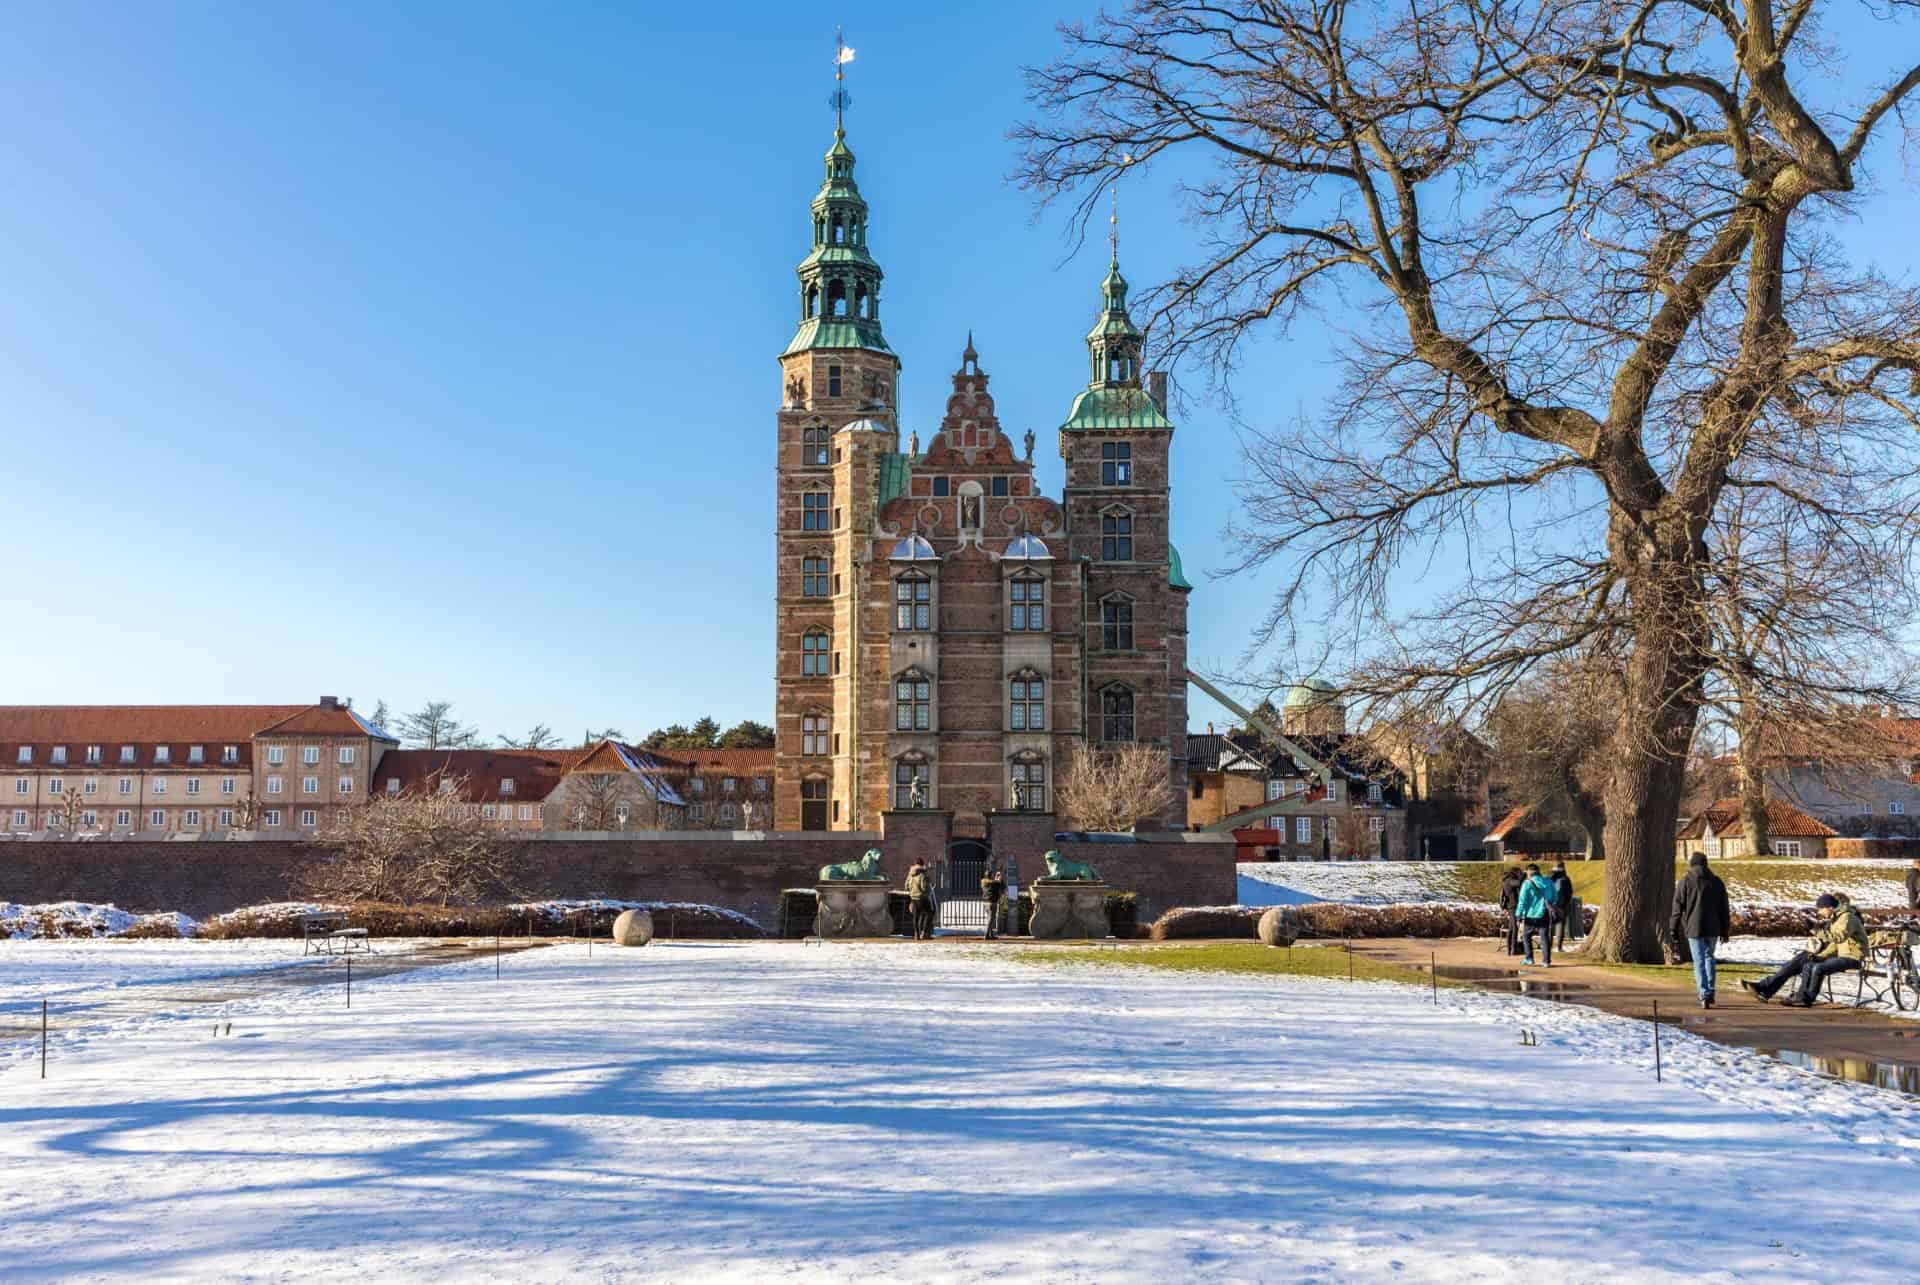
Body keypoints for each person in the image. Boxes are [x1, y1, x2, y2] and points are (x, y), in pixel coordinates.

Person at [1740, 893, 1869, 1006]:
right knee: (1798, 961)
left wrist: (1816, 932)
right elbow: (1834, 944)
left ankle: (1771, 990)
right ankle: (1768, 989)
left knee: (1809, 964)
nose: (1819, 912)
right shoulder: (1837, 918)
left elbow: (1838, 939)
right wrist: (1820, 954)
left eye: (1822, 908)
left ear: (1831, 906)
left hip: (1849, 957)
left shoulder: (1846, 918)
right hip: (1833, 954)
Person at [1670, 851, 1732, 1008]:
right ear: (1706, 864)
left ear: (1692, 865)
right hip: (1713, 927)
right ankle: (1710, 992)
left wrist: (1673, 928)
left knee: (1698, 961)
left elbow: (1677, 908)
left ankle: (1704, 994)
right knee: (1709, 957)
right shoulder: (1717, 882)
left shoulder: (1685, 882)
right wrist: (1725, 929)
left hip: (1694, 927)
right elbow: (1724, 908)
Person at [1515, 863, 1559, 967]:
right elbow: (1555, 897)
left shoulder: (1527, 883)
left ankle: (1529, 958)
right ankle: (1546, 961)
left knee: (1526, 936)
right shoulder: (1549, 882)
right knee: (1544, 937)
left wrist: (1518, 915)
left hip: (1531, 915)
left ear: (1529, 873)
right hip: (1545, 914)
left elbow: (1522, 901)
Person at [1550, 861, 1578, 949]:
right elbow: (1570, 892)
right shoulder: (1566, 879)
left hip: (1550, 905)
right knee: (1561, 925)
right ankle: (1559, 946)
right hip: (1562, 905)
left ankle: (1549, 945)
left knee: (1550, 925)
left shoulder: (1550, 878)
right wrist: (1566, 902)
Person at [1499, 864, 1526, 956]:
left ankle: (1510, 949)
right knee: (1515, 928)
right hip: (1513, 906)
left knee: (1511, 928)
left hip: (1510, 906)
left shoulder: (1506, 880)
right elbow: (1519, 883)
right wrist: (1524, 875)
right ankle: (1513, 950)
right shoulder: (1510, 880)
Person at [905, 860, 936, 941]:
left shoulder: (910, 874)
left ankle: (916, 935)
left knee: (916, 917)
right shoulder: (922, 874)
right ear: (922, 865)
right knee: (930, 913)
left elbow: (906, 886)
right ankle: (925, 933)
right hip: (922, 898)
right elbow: (923, 887)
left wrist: (912, 891)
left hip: (913, 898)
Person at [980, 863, 1008, 940]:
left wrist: (996, 878)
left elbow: (995, 882)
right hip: (992, 903)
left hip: (985, 902)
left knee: (990, 918)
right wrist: (999, 876)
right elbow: (1002, 885)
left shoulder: (984, 882)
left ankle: (991, 935)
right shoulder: (994, 883)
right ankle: (986, 934)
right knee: (991, 919)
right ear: (991, 876)